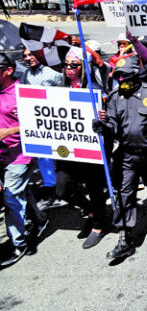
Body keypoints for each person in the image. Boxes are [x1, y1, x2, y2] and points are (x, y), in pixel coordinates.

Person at [92, 56, 147, 260]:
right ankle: (125, 238)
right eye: (118, 76)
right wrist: (103, 127)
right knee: (124, 194)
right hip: (127, 155)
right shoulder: (114, 97)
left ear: (136, 73)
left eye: (125, 75)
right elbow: (112, 126)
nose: (121, 79)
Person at [55, 50, 108, 250]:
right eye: (66, 64)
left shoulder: (93, 88)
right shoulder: (58, 88)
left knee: (94, 189)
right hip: (66, 149)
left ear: (83, 67)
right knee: (62, 189)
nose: (69, 68)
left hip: (89, 149)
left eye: (74, 65)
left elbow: (109, 118)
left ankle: (98, 225)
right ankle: (90, 210)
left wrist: (103, 117)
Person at [0, 53, 47, 268]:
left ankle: (19, 243)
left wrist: (11, 129)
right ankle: (39, 219)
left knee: (11, 197)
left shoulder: (22, 93)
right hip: (2, 156)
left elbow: (39, 122)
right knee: (22, 191)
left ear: (8, 70)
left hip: (19, 154)